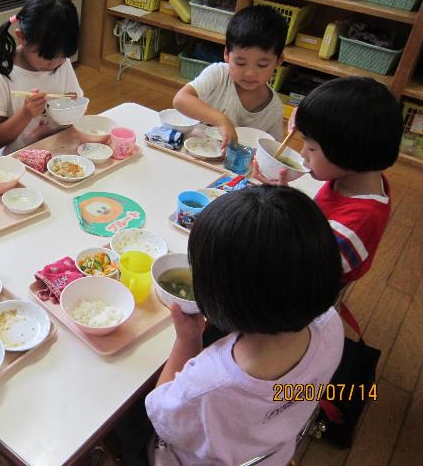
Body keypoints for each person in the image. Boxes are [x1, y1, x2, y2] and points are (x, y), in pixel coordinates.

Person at [141, 186, 344, 466]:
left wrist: (188, 340)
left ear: (222, 298)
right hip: (273, 453)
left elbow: (159, 411)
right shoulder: (331, 324)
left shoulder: (208, 384)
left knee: (126, 422)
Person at [254, 77, 403, 284]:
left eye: (312, 148)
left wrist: (283, 211)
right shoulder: (353, 175)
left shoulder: (356, 224)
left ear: (348, 152)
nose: (303, 154)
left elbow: (300, 273)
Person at [0, 0, 83, 154]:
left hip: (59, 154)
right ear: (21, 37)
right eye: (48, 57)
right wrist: (25, 113)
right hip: (18, 162)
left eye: (63, 56)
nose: (54, 64)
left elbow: (73, 115)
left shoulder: (62, 64)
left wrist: (72, 108)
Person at [173, 5, 288, 147]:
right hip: (194, 147)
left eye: (262, 65)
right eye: (240, 63)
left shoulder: (273, 108)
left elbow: (272, 148)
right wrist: (221, 120)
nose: (250, 73)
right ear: (227, 54)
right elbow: (180, 99)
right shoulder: (219, 74)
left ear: (279, 61)